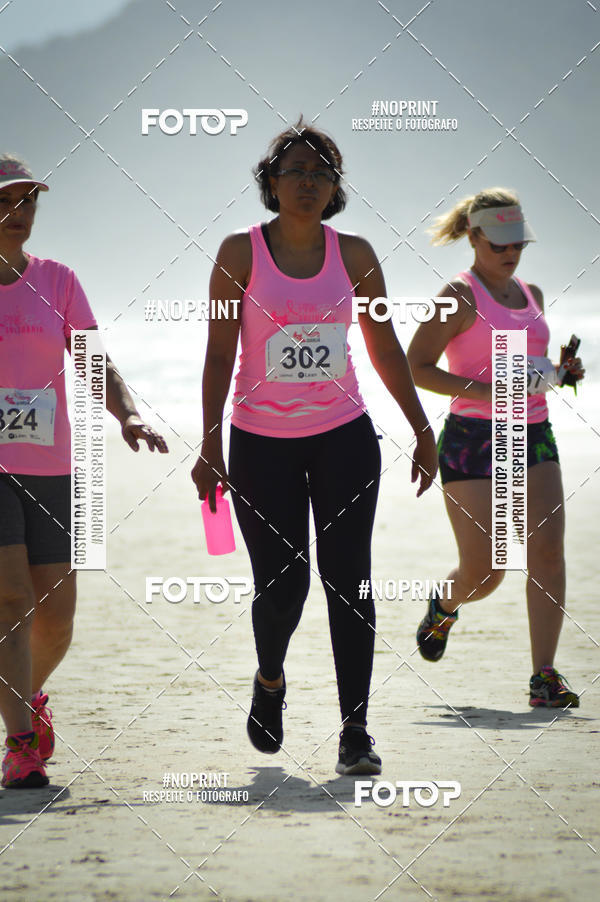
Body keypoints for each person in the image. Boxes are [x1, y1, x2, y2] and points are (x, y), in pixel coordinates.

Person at [191, 121, 437, 775]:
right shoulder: (238, 254)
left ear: (336, 188)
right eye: (296, 171)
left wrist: (421, 427)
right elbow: (219, 354)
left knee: (349, 579)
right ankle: (270, 678)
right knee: (283, 587)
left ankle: (355, 731)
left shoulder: (355, 255)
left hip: (343, 437)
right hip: (260, 444)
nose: (308, 182)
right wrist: (209, 443)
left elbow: (384, 348)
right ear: (270, 183)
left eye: (321, 172)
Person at [0, 155, 168, 788]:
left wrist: (126, 417)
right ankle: (19, 743)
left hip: (51, 464)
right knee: (9, 600)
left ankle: (24, 698)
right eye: (5, 202)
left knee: (56, 611)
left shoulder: (59, 280)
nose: (19, 214)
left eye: (27, 202)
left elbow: (95, 362)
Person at [407, 188, 584, 707]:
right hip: (472, 440)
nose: (511, 253)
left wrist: (557, 373)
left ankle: (544, 678)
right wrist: (488, 391)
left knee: (548, 552)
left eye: (518, 244)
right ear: (475, 235)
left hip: (532, 433)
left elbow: (530, 366)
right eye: (500, 243)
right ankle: (444, 604)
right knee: (487, 572)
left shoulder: (533, 293)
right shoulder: (458, 295)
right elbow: (418, 367)